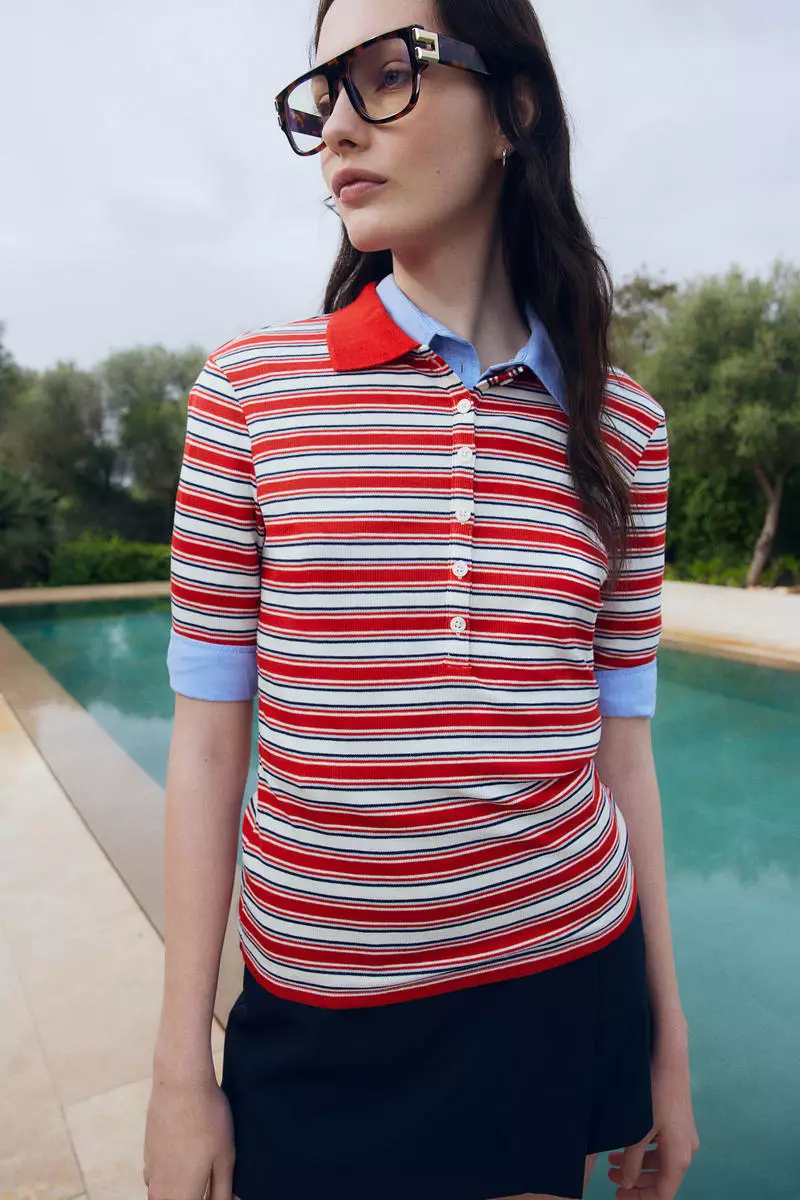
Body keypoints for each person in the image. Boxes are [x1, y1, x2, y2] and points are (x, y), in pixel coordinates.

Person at [143, 0, 701, 1197]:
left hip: (556, 983)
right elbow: (205, 746)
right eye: (321, 97)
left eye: (386, 75)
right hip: (319, 1019)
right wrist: (179, 1066)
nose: (340, 129)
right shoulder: (248, 397)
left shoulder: (624, 429)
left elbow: (624, 754)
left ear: (512, 110)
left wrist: (668, 1041)